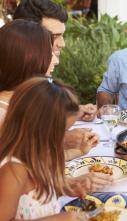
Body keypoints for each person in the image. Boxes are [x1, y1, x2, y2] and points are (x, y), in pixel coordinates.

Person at [0, 19, 112, 192]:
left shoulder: (22, 102)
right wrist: (68, 183)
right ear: (28, 59)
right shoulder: (4, 115)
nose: (56, 61)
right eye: (49, 53)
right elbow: (16, 184)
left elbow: (37, 161)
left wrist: (79, 152)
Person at [0, 77, 87, 221]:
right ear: (41, 128)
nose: (64, 137)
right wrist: (57, 220)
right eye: (63, 131)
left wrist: (65, 189)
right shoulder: (13, 170)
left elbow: (34, 198)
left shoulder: (38, 157)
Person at [13, 0, 98, 126]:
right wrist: (65, 140)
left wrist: (70, 112)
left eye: (63, 35)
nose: (62, 44)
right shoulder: (10, 84)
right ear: (27, 34)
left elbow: (38, 114)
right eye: (54, 36)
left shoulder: (38, 70)